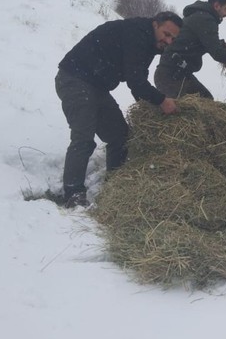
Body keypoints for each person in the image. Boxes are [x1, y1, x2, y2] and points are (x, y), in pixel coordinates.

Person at [55, 11, 183, 208]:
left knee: (119, 135)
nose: (168, 40)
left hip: (97, 86)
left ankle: (116, 184)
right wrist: (161, 101)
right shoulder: (136, 34)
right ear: (155, 24)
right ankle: (73, 194)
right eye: (166, 34)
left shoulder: (149, 43)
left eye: (173, 38)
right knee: (83, 137)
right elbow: (135, 79)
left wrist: (148, 107)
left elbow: (138, 78)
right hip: (74, 79)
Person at [154, 0, 226, 99]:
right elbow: (218, 54)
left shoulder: (201, 15)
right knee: (202, 106)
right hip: (171, 77)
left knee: (206, 100)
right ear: (217, 5)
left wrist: (224, 45)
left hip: (175, 74)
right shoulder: (206, 19)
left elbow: (203, 41)